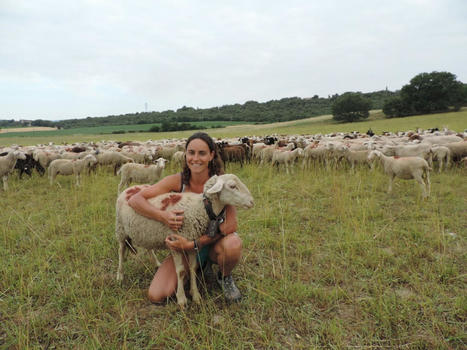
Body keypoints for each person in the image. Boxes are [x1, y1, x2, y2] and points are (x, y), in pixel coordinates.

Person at [126, 132, 243, 303]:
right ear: (185, 154)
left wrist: (195, 244)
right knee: (157, 295)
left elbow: (230, 226)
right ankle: (196, 269)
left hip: (210, 245)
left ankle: (224, 277)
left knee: (232, 243)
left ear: (211, 155)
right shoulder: (177, 181)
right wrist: (163, 216)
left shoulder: (220, 184)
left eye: (202, 153)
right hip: (182, 249)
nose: (196, 158)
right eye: (191, 152)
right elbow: (136, 199)